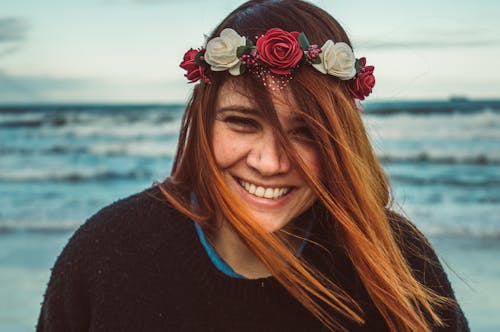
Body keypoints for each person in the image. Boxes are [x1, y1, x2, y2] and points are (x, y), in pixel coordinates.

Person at [37, 0, 469, 331]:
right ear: (204, 122)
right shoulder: (107, 254)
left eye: (306, 133)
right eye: (242, 123)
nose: (269, 162)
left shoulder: (397, 261)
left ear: (341, 139)